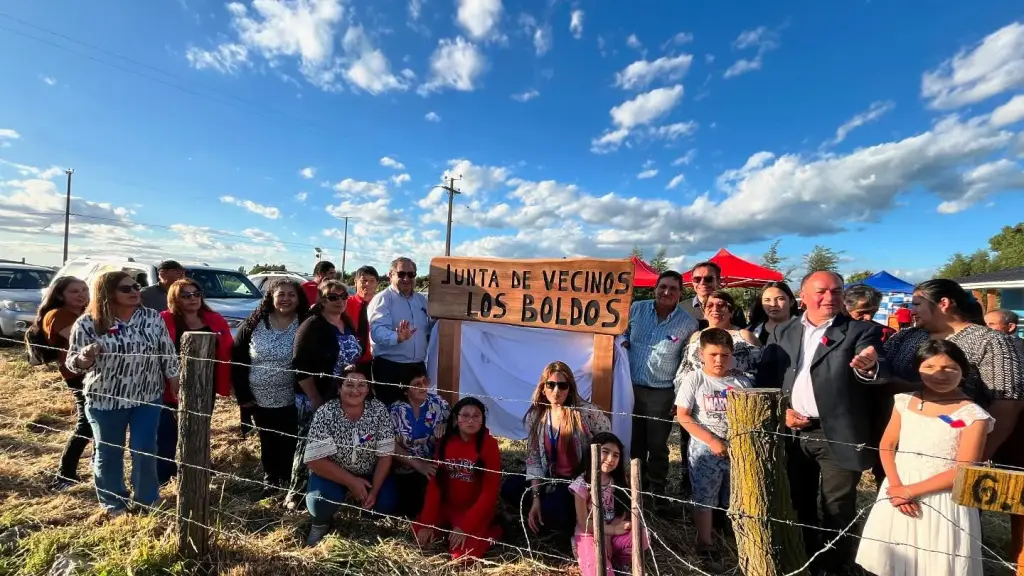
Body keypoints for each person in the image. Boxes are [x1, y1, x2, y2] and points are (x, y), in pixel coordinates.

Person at [755, 270, 885, 573]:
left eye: (837, 291)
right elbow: (769, 380)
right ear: (803, 296)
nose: (830, 297)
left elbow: (873, 365)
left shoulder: (859, 332)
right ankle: (806, 560)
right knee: (799, 500)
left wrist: (868, 367)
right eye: (821, 291)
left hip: (836, 434)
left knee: (837, 507)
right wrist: (781, 411)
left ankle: (834, 566)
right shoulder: (783, 331)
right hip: (792, 432)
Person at [855, 340, 992, 576]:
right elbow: (887, 445)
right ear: (917, 369)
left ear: (963, 371)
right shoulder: (905, 401)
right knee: (895, 557)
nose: (939, 374)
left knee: (936, 561)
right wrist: (897, 487)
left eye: (949, 368)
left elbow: (965, 468)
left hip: (942, 498)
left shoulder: (973, 415)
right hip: (897, 490)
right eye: (929, 367)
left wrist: (912, 491)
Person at [65, 272, 179, 516]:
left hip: (147, 396)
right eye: (126, 288)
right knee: (109, 451)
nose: (134, 291)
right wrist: (85, 357)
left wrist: (174, 379)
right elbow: (72, 363)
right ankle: (113, 503)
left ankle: (148, 500)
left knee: (145, 448)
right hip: (105, 398)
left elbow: (167, 352)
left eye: (136, 286)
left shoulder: (151, 318)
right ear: (107, 293)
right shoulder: (89, 322)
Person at [675, 328, 751, 570]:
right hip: (705, 451)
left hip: (736, 451)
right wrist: (712, 440)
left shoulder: (742, 381)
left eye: (725, 355)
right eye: (714, 354)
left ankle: (735, 538)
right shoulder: (695, 379)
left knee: (735, 496)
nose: (719, 360)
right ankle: (705, 543)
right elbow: (684, 416)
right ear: (702, 354)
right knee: (705, 497)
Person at [511, 361, 611, 538]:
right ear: (543, 388)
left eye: (562, 385)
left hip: (576, 482)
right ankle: (538, 510)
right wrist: (536, 498)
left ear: (570, 389)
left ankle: (562, 518)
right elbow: (533, 459)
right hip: (547, 478)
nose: (556, 390)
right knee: (509, 488)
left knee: (554, 511)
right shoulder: (536, 415)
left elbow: (609, 443)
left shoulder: (587, 413)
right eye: (551, 384)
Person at [287, 279, 363, 510]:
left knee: (331, 447)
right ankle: (297, 494)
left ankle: (328, 491)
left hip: (342, 397)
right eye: (333, 297)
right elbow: (299, 365)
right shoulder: (312, 326)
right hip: (316, 397)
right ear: (321, 299)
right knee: (308, 445)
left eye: (343, 297)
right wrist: (315, 398)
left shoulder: (346, 323)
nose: (340, 301)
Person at [623, 270, 698, 504]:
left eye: (673, 289)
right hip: (631, 389)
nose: (666, 292)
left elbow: (688, 363)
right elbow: (621, 332)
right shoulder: (636, 309)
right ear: (655, 288)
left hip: (662, 392)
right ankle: (636, 491)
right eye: (662, 287)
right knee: (634, 443)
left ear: (680, 293)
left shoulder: (688, 323)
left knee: (657, 446)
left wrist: (679, 398)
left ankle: (657, 492)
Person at [232, 278, 309, 496]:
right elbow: (238, 358)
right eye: (281, 294)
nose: (286, 299)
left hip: (293, 397)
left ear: (298, 298)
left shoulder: (305, 321)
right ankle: (271, 481)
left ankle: (291, 483)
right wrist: (243, 395)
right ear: (271, 297)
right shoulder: (255, 322)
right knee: (268, 439)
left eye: (291, 295)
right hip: (259, 396)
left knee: (291, 439)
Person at [304, 368, 397, 547]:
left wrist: (375, 490)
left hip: (369, 474)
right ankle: (320, 524)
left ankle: (366, 518)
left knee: (387, 501)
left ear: (368, 388)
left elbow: (385, 456)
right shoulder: (326, 413)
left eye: (362, 385)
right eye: (349, 385)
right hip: (333, 474)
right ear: (339, 388)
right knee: (320, 500)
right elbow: (314, 460)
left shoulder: (378, 410)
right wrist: (351, 481)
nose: (356, 390)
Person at [157, 278, 233, 485]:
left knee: (198, 428)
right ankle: (164, 476)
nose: (193, 298)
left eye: (196, 294)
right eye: (186, 295)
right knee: (167, 432)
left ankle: (197, 471)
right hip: (169, 387)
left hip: (203, 386)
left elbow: (227, 349)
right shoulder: (164, 320)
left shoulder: (214, 319)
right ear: (175, 298)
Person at [413, 397, 503, 561]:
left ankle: (495, 530)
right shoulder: (445, 442)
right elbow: (435, 485)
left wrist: (465, 527)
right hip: (448, 507)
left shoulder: (489, 445)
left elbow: (489, 493)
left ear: (483, 420)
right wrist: (427, 523)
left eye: (476, 416)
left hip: (474, 510)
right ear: (456, 418)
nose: (470, 420)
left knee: (461, 557)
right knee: (420, 538)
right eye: (465, 415)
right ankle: (445, 529)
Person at [31, 276, 91, 489]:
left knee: (98, 423)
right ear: (59, 294)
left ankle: (94, 464)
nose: (82, 294)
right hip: (77, 375)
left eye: (84, 289)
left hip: (93, 373)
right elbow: (83, 342)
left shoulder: (83, 313)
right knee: (86, 424)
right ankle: (65, 475)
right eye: (74, 291)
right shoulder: (58, 315)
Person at [568, 432, 648, 576]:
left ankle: (617, 562)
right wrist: (612, 531)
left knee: (642, 536)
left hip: (612, 530)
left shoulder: (618, 481)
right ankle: (584, 552)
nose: (610, 459)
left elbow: (621, 512)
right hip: (589, 534)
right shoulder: (581, 485)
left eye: (616, 455)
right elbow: (584, 523)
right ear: (593, 452)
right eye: (605, 452)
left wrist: (609, 537)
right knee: (600, 572)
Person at [368, 257, 432, 406]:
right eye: (401, 273)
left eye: (411, 274)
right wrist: (397, 337)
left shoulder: (421, 300)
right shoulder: (383, 299)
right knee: (390, 414)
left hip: (418, 367)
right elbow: (377, 331)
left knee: (416, 412)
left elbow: (428, 328)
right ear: (391, 275)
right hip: (391, 368)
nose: (406, 278)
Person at [390, 366, 450, 518]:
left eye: (425, 381)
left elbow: (457, 420)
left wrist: (447, 425)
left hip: (434, 466)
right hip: (405, 468)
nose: (423, 387)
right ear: (405, 389)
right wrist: (417, 464)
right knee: (411, 508)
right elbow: (389, 444)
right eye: (417, 384)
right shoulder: (395, 411)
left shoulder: (438, 403)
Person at [680, 261, 747, 329]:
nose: (702, 282)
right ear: (692, 281)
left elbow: (742, 336)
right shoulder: (681, 309)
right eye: (697, 279)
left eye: (708, 279)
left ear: (718, 281)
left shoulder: (733, 309)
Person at [346, 265, 379, 375]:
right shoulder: (343, 304)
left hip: (375, 361)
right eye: (363, 280)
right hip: (348, 362)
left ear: (377, 284)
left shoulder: (382, 306)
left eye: (372, 281)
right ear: (355, 282)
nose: (367, 284)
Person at [747, 281, 800, 345]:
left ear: (791, 302)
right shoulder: (752, 330)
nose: (773, 304)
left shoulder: (805, 329)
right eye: (767, 300)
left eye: (780, 299)